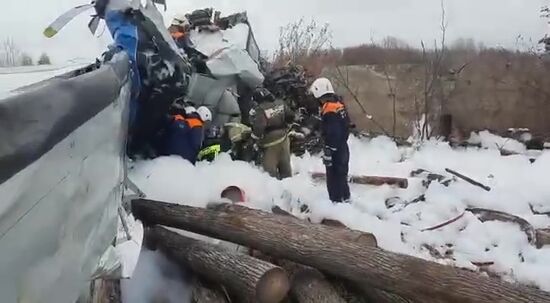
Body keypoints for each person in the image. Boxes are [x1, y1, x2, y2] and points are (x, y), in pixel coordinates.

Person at [309, 77, 351, 203]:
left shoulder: (329, 109)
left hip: (336, 150)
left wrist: (329, 149)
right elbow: (346, 125)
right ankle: (346, 200)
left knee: (333, 179)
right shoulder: (339, 104)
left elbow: (334, 132)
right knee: (342, 176)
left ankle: (336, 205)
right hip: (343, 147)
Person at [250, 88, 294, 179]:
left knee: (270, 171)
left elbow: (259, 127)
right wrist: (287, 127)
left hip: (270, 142)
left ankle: (274, 189)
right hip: (284, 139)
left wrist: (253, 138)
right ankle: (289, 187)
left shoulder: (261, 109)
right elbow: (291, 116)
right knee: (285, 166)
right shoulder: (280, 103)